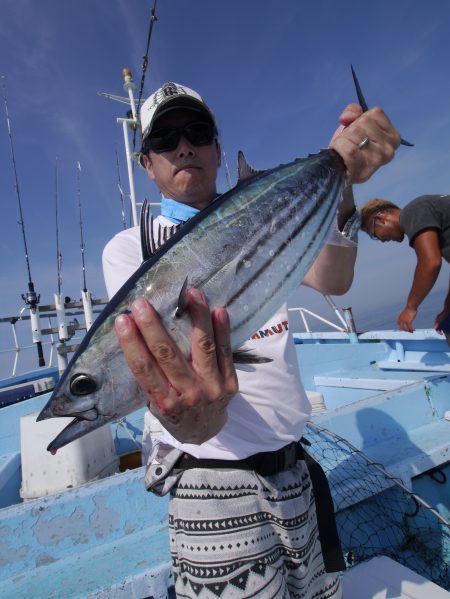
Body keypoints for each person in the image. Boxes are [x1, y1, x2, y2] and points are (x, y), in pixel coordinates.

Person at [103, 81, 401, 599]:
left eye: (196, 132)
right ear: (146, 164)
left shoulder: (269, 208)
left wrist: (343, 177)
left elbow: (334, 279)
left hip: (295, 471)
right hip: (212, 482)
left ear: (218, 149)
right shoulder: (133, 250)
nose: (183, 146)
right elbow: (178, 390)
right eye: (165, 139)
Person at [360, 196, 450, 337]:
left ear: (380, 220)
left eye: (374, 235)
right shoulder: (424, 213)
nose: (381, 241)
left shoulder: (413, 211)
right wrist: (447, 308)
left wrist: (410, 308)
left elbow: (430, 262)